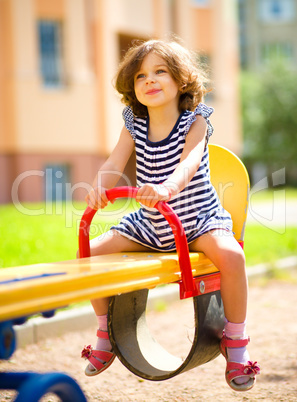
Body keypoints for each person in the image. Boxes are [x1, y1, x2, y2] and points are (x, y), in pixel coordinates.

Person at [80, 39, 260, 391]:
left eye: (160, 71)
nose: (149, 80)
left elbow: (190, 162)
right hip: (151, 223)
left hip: (197, 219)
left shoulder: (194, 122)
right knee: (90, 254)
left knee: (232, 256)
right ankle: (106, 331)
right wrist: (99, 186)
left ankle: (235, 340)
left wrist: (167, 188)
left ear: (181, 81)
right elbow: (115, 161)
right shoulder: (135, 123)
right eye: (140, 76)